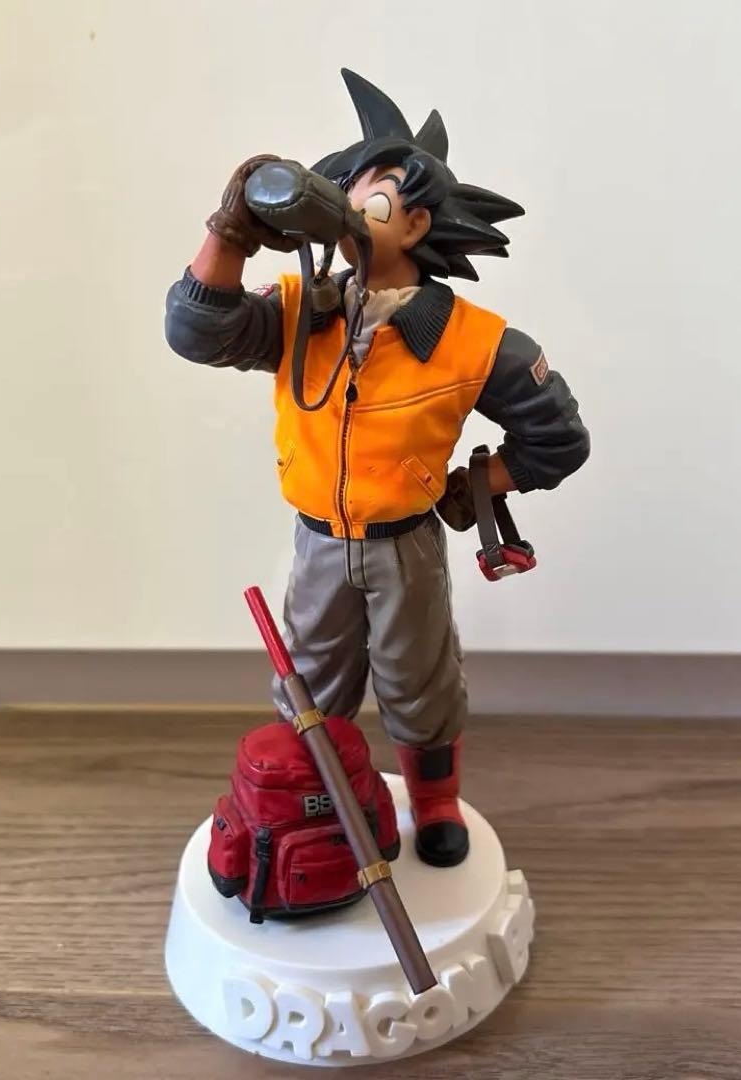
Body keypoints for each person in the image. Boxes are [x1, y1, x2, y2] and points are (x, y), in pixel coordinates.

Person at [165, 70, 590, 868]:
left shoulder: (473, 340)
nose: (351, 213)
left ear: (419, 221)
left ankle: (433, 802)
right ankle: (318, 798)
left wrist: (473, 488)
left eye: (376, 200)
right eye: (345, 192)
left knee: (420, 682)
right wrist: (230, 231)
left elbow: (557, 439)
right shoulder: (301, 311)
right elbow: (197, 330)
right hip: (319, 543)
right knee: (312, 686)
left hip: (406, 547)